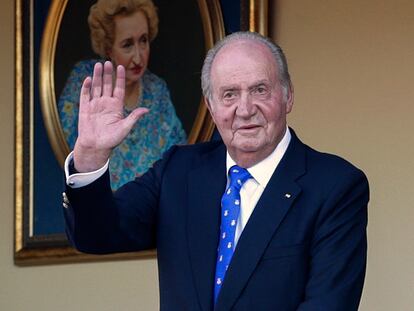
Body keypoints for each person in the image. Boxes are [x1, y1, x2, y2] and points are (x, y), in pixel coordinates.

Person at [62, 32, 369, 310]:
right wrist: (90, 156)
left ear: (288, 95)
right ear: (210, 105)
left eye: (260, 90)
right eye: (229, 94)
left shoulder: (335, 186)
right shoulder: (178, 172)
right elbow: (95, 236)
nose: (245, 109)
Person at [58, 0, 186, 189]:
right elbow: (74, 156)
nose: (138, 57)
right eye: (127, 45)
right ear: (108, 48)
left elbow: (179, 156)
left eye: (143, 40)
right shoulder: (83, 82)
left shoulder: (157, 90)